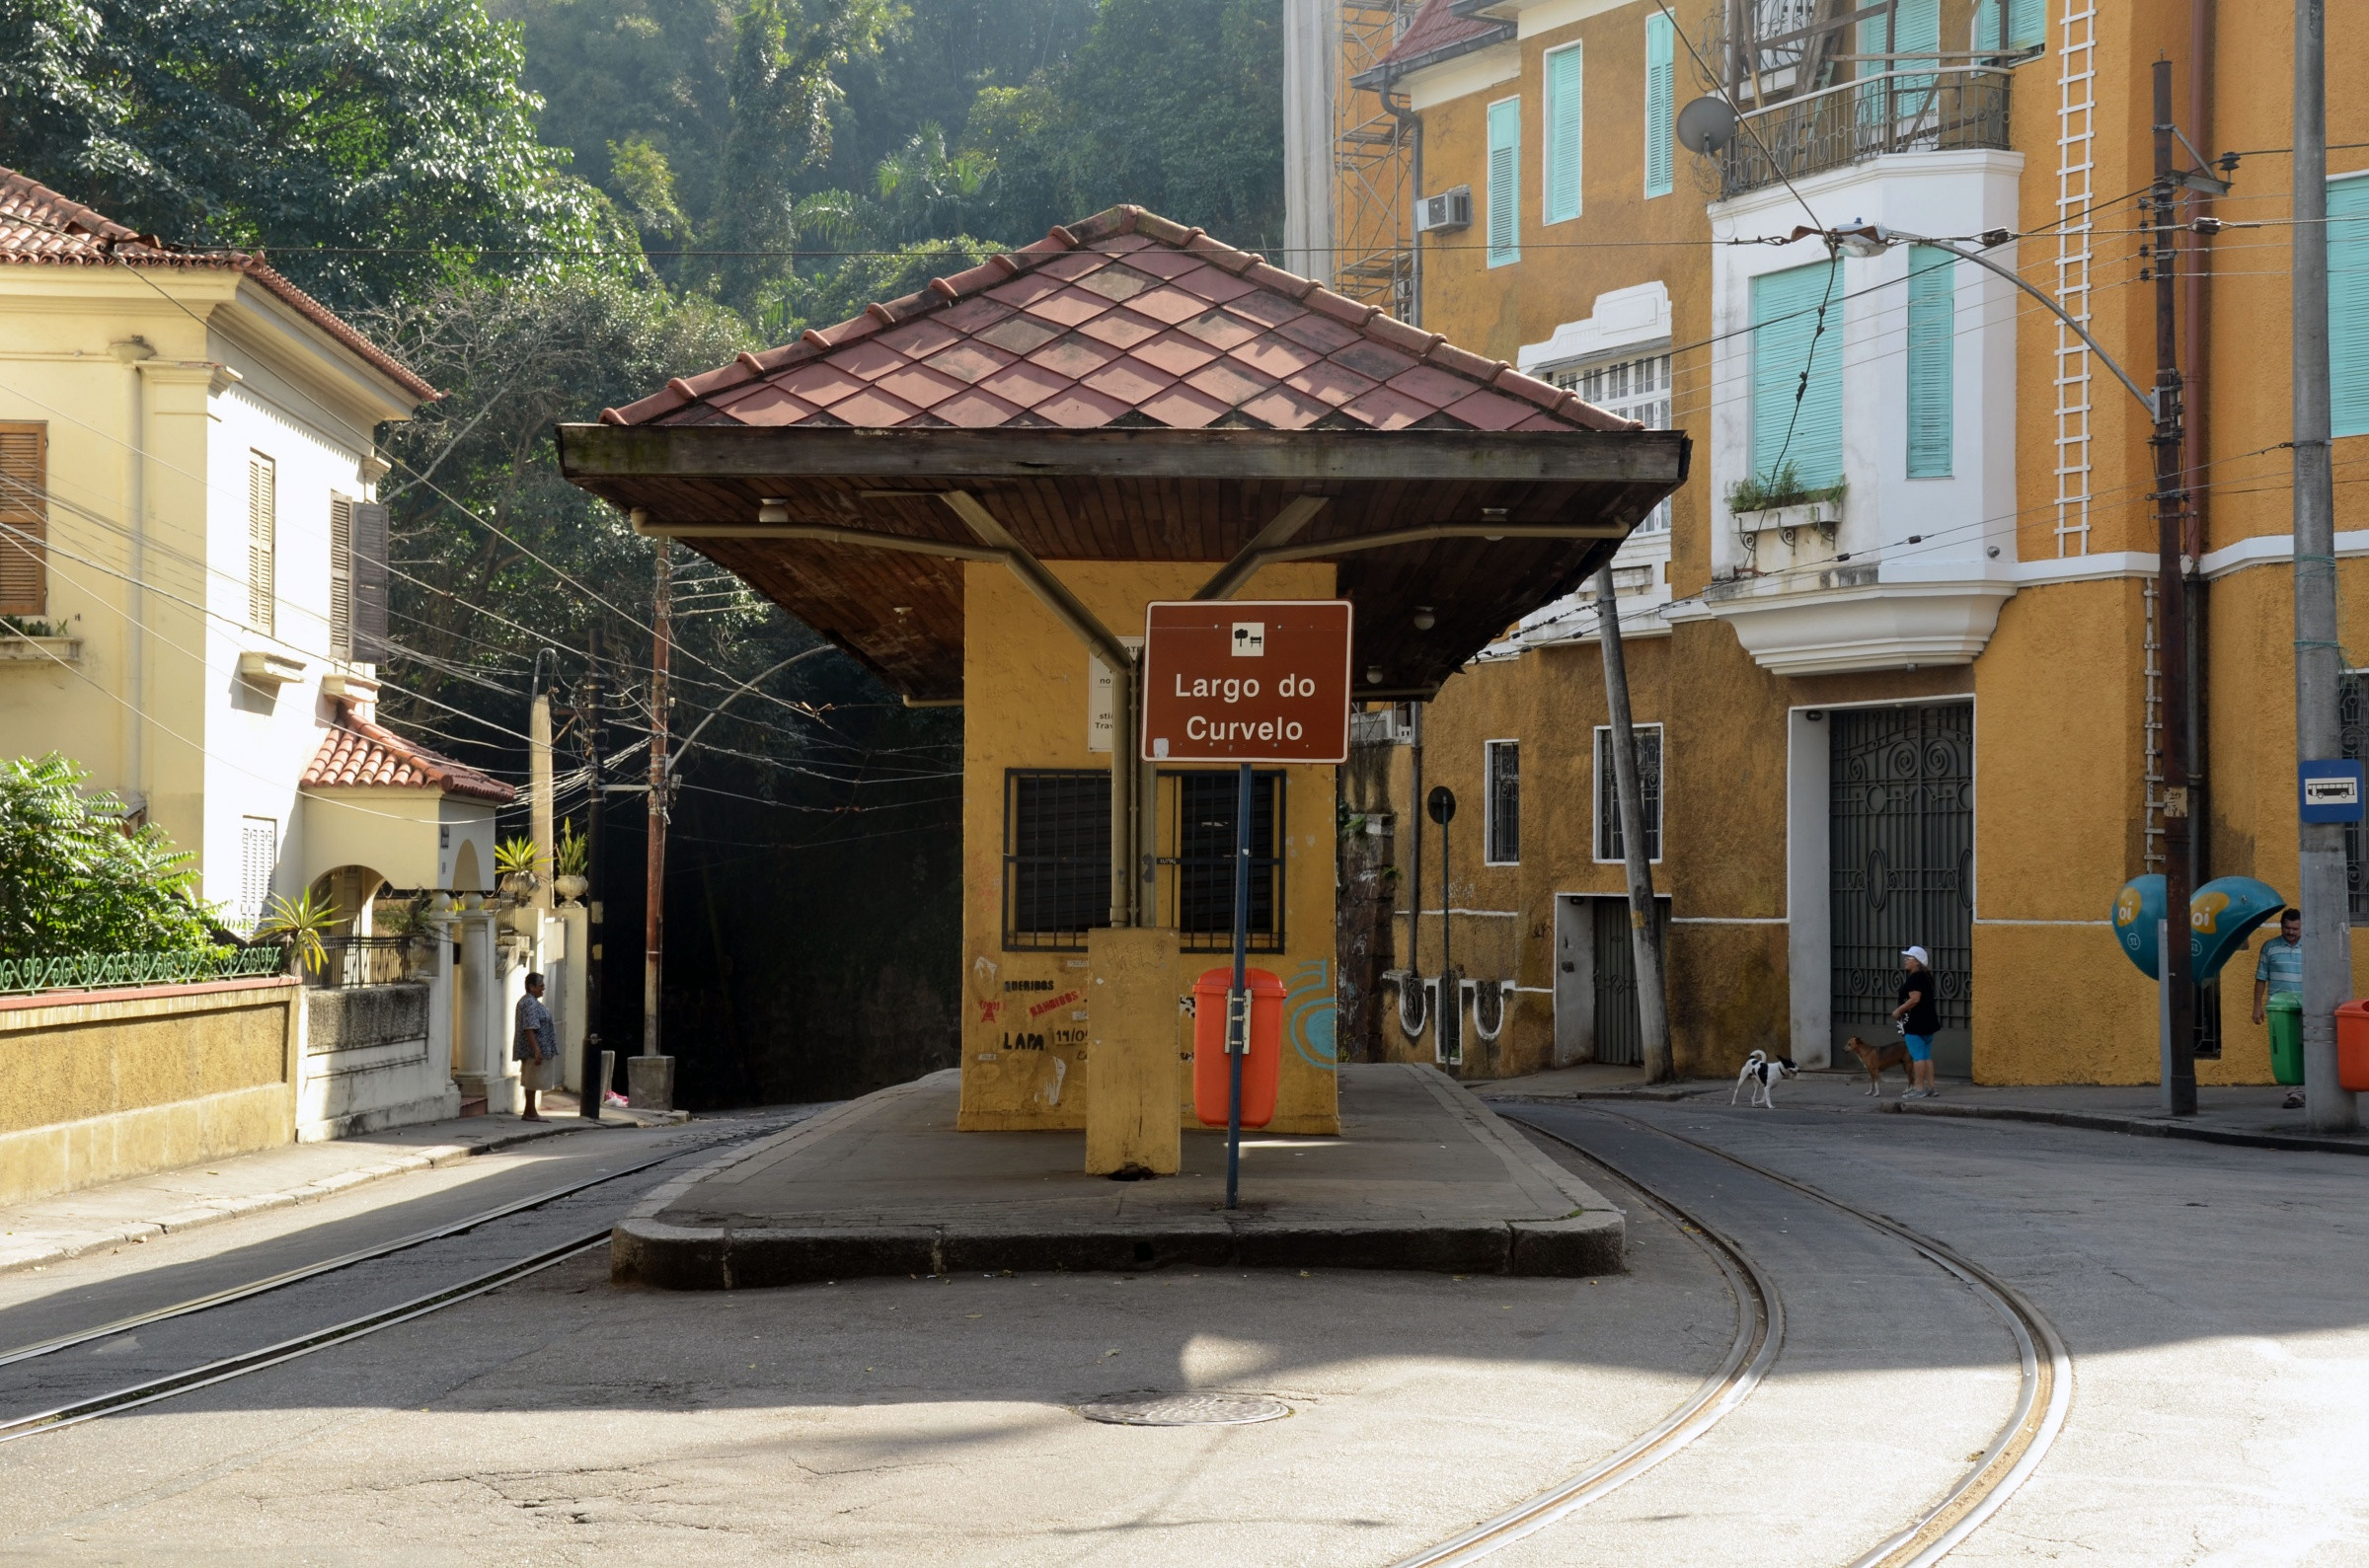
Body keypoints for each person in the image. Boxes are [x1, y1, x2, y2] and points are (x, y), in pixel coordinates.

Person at [2252, 908, 2305, 1109]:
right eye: (2287, 928)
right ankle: (2295, 1094)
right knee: (2287, 1050)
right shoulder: (2269, 947)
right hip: (2280, 1009)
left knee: (2311, 1048)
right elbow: (2260, 978)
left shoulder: (2311, 946)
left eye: (2295, 928)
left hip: (2307, 1005)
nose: (2290, 932)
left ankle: (2314, 1091)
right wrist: (2257, 1007)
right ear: (2281, 926)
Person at [1890, 945, 1942, 1100]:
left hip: (1915, 1022)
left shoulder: (1914, 978)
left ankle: (1919, 1088)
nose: (1905, 960)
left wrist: (1898, 1010)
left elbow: (1915, 999)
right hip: (1928, 1021)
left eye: (1909, 958)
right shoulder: (1926, 976)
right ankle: (1932, 1088)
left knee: (1917, 1057)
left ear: (1917, 962)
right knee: (1926, 1056)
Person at [514, 972, 559, 1121]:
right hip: (533, 1050)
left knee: (532, 1081)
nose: (543, 988)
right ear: (531, 987)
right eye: (540, 985)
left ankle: (529, 1111)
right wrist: (536, 1050)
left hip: (535, 1049)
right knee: (532, 1081)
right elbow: (529, 1028)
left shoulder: (532, 1002)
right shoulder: (529, 1003)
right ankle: (531, 1112)